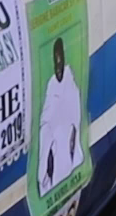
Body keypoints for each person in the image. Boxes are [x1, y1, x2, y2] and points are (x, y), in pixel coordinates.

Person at [35, 37, 83, 195]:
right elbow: (46, 123)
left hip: (67, 149)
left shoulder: (70, 83)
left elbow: (75, 116)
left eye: (60, 60)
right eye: (56, 63)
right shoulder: (52, 88)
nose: (59, 68)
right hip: (56, 154)